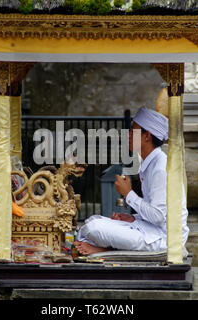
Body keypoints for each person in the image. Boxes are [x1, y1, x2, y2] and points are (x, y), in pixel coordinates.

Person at [74, 107, 189, 256]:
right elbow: (158, 212)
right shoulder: (151, 163)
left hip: (165, 238)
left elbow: (158, 216)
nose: (128, 135)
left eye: (133, 130)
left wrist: (128, 194)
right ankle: (109, 248)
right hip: (151, 229)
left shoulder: (161, 168)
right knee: (91, 221)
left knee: (93, 228)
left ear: (146, 136)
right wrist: (132, 218)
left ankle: (108, 250)